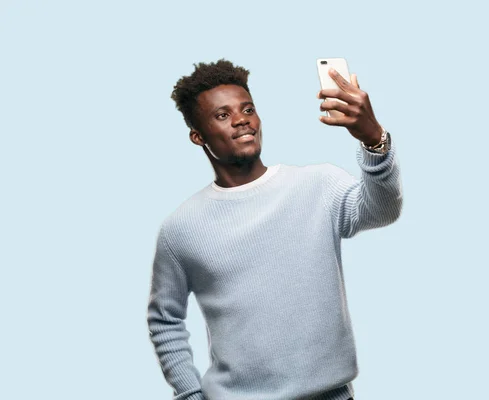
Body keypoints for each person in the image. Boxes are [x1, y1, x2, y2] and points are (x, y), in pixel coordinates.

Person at [147, 58, 403, 400]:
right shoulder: (181, 228)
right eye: (222, 115)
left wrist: (374, 140)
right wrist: (190, 394)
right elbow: (165, 319)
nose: (241, 121)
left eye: (247, 109)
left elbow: (383, 211)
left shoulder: (318, 185)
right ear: (197, 136)